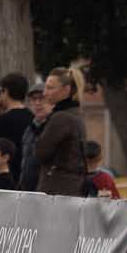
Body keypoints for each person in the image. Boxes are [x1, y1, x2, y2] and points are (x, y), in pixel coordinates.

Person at [33, 68, 88, 197]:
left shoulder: (61, 118)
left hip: (57, 189)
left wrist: (41, 126)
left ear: (66, 90)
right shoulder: (76, 114)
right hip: (73, 188)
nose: (45, 93)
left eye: (50, 88)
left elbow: (40, 152)